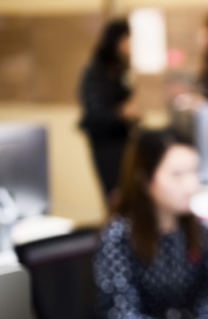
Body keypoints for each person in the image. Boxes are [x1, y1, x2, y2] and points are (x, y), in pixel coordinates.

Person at [90, 129, 208, 319]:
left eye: (194, 171)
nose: (191, 185)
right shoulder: (119, 236)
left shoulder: (195, 228)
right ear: (145, 179)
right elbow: (119, 313)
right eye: (177, 175)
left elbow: (203, 295)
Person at [79, 19, 139, 205]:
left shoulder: (120, 70)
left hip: (123, 141)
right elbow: (95, 113)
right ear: (118, 41)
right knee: (116, 198)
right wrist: (121, 114)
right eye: (129, 40)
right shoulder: (96, 73)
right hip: (106, 145)